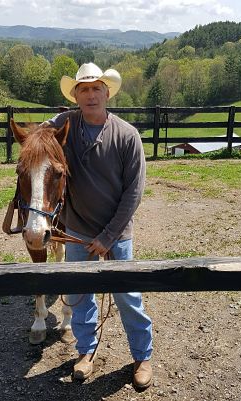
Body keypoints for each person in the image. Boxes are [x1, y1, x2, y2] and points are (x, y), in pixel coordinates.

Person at [46, 62, 153, 390]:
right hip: (77, 229)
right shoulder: (67, 124)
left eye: (96, 89)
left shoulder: (126, 135)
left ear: (107, 93)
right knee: (80, 295)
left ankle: (142, 356)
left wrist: (108, 236)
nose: (90, 95)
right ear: (75, 96)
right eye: (84, 89)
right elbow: (42, 132)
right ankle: (86, 351)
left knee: (127, 296)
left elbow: (134, 192)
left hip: (116, 233)